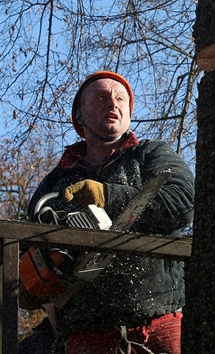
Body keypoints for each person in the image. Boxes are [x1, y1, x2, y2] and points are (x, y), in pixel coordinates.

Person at [18, 71, 194, 354]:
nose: (113, 103)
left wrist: (108, 195)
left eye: (120, 98)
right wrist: (31, 286)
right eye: (101, 97)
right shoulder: (57, 181)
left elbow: (182, 202)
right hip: (86, 332)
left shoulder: (152, 156)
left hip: (157, 321)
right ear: (79, 114)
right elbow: (29, 247)